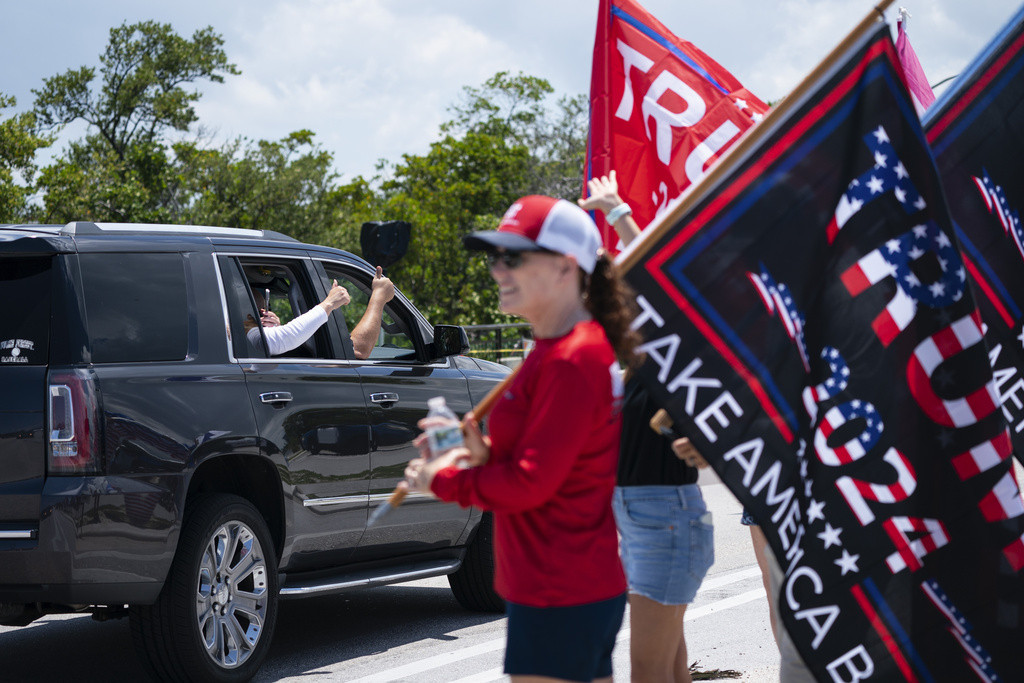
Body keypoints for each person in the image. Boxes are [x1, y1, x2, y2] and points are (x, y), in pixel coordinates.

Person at [403, 194, 639, 683]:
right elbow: (542, 459)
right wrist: (477, 453)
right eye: (495, 257)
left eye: (514, 256)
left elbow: (533, 482)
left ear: (564, 267)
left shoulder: (572, 357)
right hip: (559, 584)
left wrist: (444, 479)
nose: (497, 270)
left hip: (561, 586)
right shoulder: (553, 348)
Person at [579, 171, 714, 683]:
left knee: (647, 672)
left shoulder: (671, 354)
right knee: (668, 669)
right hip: (642, 520)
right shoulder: (628, 366)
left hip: (667, 519)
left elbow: (668, 286)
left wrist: (618, 214)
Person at [248, 265, 395, 359]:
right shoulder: (234, 329)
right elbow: (358, 350)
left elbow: (276, 340)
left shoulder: (243, 344)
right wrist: (378, 297)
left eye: (263, 313)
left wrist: (275, 329)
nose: (262, 318)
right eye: (257, 316)